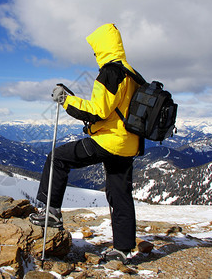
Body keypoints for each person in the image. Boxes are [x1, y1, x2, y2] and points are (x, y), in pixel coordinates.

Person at [29, 23, 142, 264]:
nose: (94, 55)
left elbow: (97, 112)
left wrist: (66, 101)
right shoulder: (132, 73)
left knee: (58, 158)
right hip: (129, 144)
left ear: (103, 47)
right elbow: (115, 110)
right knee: (120, 194)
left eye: (95, 50)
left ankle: (52, 212)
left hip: (109, 140)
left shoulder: (110, 72)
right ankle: (122, 250)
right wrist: (70, 97)